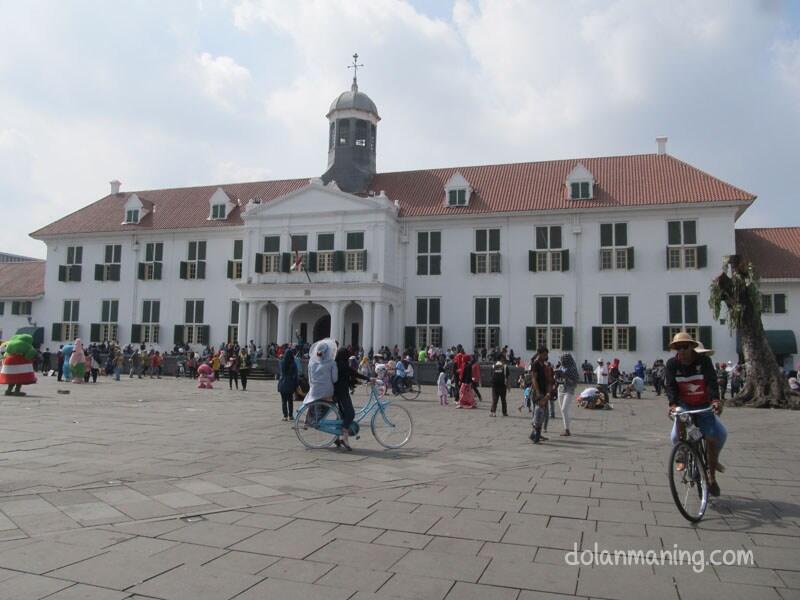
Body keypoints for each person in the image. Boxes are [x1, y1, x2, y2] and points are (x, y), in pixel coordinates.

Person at [665, 333, 726, 497]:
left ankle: (711, 477)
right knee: (676, 433)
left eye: (685, 347)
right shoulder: (672, 364)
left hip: (703, 404)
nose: (682, 351)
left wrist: (715, 400)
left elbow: (711, 382)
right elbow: (670, 386)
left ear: (692, 347)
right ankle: (683, 451)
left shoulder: (704, 362)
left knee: (713, 437)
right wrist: (672, 405)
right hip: (684, 403)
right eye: (678, 348)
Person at [333, 347, 370, 450]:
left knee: (341, 415)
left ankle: (337, 437)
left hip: (338, 392)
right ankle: (344, 437)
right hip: (342, 392)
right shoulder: (343, 366)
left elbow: (348, 377)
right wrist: (368, 378)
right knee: (350, 414)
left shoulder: (336, 364)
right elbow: (354, 373)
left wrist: (356, 382)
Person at [530, 347, 553, 443]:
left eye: (546, 354)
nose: (546, 356)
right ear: (539, 354)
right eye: (544, 354)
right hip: (538, 392)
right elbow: (534, 379)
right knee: (539, 412)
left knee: (542, 414)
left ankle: (534, 434)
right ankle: (536, 436)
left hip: (544, 392)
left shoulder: (544, 365)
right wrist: (538, 393)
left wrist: (548, 393)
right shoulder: (535, 365)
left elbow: (548, 381)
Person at [558, 353, 579, 436]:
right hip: (560, 388)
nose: (561, 362)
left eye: (563, 360)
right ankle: (566, 427)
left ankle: (567, 430)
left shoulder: (573, 368)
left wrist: (565, 377)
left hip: (569, 389)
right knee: (563, 411)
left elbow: (575, 382)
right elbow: (558, 378)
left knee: (564, 409)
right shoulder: (561, 367)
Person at [278, 348, 299, 421]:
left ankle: (285, 416)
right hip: (290, 384)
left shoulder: (282, 362)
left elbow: (280, 369)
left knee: (284, 401)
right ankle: (290, 415)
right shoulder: (294, 364)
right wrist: (296, 385)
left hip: (283, 383)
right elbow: (296, 375)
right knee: (290, 401)